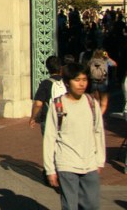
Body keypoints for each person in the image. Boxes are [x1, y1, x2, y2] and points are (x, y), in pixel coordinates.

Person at [43, 62, 105, 210]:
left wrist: (100, 160)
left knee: (91, 205)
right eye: (77, 80)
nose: (81, 84)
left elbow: (98, 132)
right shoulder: (57, 105)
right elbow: (50, 138)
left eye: (84, 79)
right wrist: (50, 169)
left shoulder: (92, 103)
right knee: (70, 206)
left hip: (89, 162)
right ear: (67, 83)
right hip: (67, 162)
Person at [30, 56, 65, 134]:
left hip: (48, 118)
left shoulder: (45, 83)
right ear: (60, 67)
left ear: (47, 68)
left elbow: (38, 104)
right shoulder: (66, 82)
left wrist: (33, 117)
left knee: (49, 144)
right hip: (63, 117)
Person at [87, 49, 116, 116]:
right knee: (104, 103)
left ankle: (95, 115)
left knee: (96, 102)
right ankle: (99, 116)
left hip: (94, 82)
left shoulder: (92, 61)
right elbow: (115, 64)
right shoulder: (105, 60)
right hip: (103, 82)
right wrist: (107, 57)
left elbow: (88, 67)